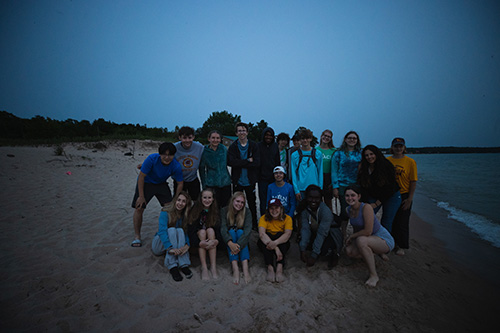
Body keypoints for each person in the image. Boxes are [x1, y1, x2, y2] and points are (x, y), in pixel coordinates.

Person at [131, 142, 183, 247]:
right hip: (146, 183)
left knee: (170, 208)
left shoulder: (176, 165)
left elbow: (180, 183)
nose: (167, 157)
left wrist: (176, 198)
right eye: (164, 154)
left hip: (161, 184)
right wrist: (141, 196)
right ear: (159, 154)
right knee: (139, 208)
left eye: (170, 155)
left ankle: (168, 232)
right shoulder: (152, 159)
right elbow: (141, 177)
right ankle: (137, 237)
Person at [344, 186, 395, 287]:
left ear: (359, 196)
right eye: (347, 196)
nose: (350, 198)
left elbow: (368, 231)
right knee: (349, 251)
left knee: (361, 240)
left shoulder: (366, 207)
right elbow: (356, 228)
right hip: (368, 239)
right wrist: (352, 239)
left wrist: (352, 236)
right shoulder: (348, 209)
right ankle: (373, 252)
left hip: (383, 239)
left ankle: (374, 275)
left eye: (353, 195)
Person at [357, 144, 401, 232]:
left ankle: (385, 243)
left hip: (391, 195)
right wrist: (366, 203)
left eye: (371, 154)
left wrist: (377, 203)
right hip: (374, 194)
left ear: (376, 154)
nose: (369, 157)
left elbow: (390, 188)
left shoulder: (386, 165)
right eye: (366, 155)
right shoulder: (364, 167)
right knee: (366, 217)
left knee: (386, 221)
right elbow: (363, 187)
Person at [151, 192, 193, 282]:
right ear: (175, 201)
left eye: (183, 201)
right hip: (160, 245)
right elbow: (162, 232)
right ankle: (172, 266)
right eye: (178, 200)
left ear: (186, 204)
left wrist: (187, 244)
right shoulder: (165, 212)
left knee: (181, 230)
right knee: (171, 230)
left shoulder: (184, 215)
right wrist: (169, 248)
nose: (180, 203)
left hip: (175, 246)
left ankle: (183, 264)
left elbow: (185, 232)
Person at [387, 138, 418, 256]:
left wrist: (410, 198)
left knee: (403, 221)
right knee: (391, 219)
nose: (398, 148)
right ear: (392, 147)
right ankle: (391, 243)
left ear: (404, 148)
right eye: (396, 146)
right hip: (390, 194)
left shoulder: (410, 162)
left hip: (404, 194)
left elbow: (413, 181)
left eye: (400, 146)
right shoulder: (388, 160)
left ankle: (401, 245)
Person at [299, 185, 343, 268]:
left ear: (321, 198)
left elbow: (322, 233)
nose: (313, 200)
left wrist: (313, 256)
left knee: (324, 250)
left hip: (330, 234)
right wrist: (302, 249)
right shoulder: (305, 210)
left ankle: (334, 254)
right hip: (316, 231)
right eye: (310, 197)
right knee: (303, 241)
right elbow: (305, 229)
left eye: (316, 198)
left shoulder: (325, 211)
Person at [227, 122, 260, 228]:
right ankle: (237, 223)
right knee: (237, 203)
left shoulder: (254, 145)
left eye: (244, 130)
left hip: (250, 180)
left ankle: (254, 224)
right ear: (236, 133)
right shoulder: (233, 146)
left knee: (252, 203)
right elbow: (231, 162)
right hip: (238, 180)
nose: (242, 132)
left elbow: (257, 163)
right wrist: (247, 161)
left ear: (247, 132)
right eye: (239, 130)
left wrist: (240, 162)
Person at [331, 131, 362, 237]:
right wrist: (335, 187)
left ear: (357, 140)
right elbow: (334, 170)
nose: (352, 140)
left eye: (354, 138)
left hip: (357, 185)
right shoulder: (338, 153)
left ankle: (356, 233)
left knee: (356, 211)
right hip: (342, 185)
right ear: (345, 139)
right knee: (345, 211)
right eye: (350, 138)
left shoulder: (360, 153)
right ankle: (343, 234)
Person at [219, 192, 252, 284]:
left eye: (242, 202)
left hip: (241, 242)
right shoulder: (224, 211)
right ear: (232, 200)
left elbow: (248, 231)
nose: (239, 204)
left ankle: (245, 268)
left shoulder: (247, 212)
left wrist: (237, 246)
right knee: (231, 232)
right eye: (237, 201)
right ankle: (235, 268)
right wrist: (230, 243)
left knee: (241, 232)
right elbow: (223, 228)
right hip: (229, 241)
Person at [257, 198, 293, 283]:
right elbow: (262, 234)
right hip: (268, 241)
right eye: (271, 208)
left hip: (280, 241)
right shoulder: (263, 218)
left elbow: (287, 234)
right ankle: (270, 267)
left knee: (282, 238)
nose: (274, 211)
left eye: (276, 208)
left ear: (281, 208)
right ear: (268, 209)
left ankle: (279, 268)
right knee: (265, 240)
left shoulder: (287, 218)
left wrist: (275, 243)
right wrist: (275, 248)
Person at [187, 188, 220, 280]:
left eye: (209, 198)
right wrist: (198, 243)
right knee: (202, 232)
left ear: (213, 199)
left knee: (210, 230)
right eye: (204, 197)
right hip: (198, 241)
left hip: (211, 238)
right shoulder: (195, 210)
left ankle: (213, 266)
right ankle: (204, 267)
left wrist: (217, 240)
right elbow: (191, 231)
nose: (207, 200)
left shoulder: (215, 210)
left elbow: (219, 230)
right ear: (200, 198)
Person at [199, 130, 232, 208]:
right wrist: (204, 184)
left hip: (225, 182)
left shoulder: (224, 149)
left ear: (220, 139)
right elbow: (201, 168)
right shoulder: (205, 151)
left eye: (217, 138)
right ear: (209, 139)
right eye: (213, 138)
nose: (215, 140)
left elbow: (230, 162)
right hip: (211, 183)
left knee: (226, 206)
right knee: (213, 206)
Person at [290, 128, 323, 202]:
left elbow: (320, 172)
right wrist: (296, 190)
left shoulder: (318, 154)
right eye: (302, 138)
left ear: (311, 139)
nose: (305, 140)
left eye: (307, 138)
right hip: (301, 189)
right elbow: (294, 173)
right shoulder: (294, 155)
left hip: (315, 188)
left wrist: (320, 189)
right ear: (300, 140)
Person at [173, 126, 204, 201]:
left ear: (193, 137)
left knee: (196, 201)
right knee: (178, 200)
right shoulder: (174, 147)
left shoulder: (199, 147)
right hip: (178, 179)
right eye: (184, 138)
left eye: (190, 137)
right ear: (180, 137)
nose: (187, 140)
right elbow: (163, 157)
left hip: (193, 179)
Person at [257, 127, 280, 216]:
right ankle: (264, 219)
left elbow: (277, 162)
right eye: (266, 135)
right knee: (263, 201)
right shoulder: (258, 146)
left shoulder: (275, 146)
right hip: (262, 178)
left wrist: (278, 175)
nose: (268, 137)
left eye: (270, 135)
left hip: (273, 178)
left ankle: (273, 219)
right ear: (263, 135)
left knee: (273, 200)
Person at [316, 130, 336, 211]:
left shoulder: (333, 151)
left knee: (328, 202)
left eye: (329, 136)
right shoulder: (315, 150)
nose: (326, 138)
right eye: (325, 135)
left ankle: (330, 220)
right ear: (321, 136)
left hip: (329, 177)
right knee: (318, 201)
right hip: (318, 177)